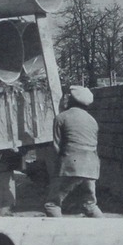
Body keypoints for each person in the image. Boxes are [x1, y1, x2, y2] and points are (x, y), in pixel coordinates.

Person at [44, 85, 104, 218]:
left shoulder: (61, 118)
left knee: (52, 204)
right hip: (92, 166)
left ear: (71, 100)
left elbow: (56, 147)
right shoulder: (92, 121)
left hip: (71, 164)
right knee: (90, 205)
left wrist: (56, 171)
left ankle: (57, 235)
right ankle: (108, 231)